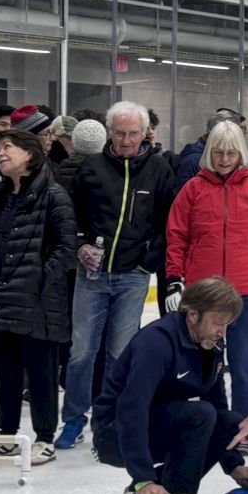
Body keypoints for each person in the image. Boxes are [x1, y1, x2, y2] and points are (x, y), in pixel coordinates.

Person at [94, 278, 248, 494]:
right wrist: (143, 479)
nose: (222, 332)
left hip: (157, 422)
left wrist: (233, 465)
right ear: (193, 315)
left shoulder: (211, 343)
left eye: (227, 325)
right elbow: (132, 409)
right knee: (200, 414)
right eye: (217, 323)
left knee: (229, 420)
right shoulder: (157, 342)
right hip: (115, 432)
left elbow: (219, 405)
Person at [0, 128, 78, 463]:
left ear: (30, 154)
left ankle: (45, 438)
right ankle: (6, 435)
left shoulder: (54, 195)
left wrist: (38, 279)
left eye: (8, 147)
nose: (1, 153)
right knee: (5, 370)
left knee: (41, 372)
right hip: (2, 296)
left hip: (38, 302)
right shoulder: (0, 196)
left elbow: (67, 249)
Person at [60, 101, 177, 450]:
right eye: (120, 133)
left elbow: (168, 223)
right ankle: (73, 420)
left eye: (133, 134)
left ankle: (109, 420)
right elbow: (70, 217)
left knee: (119, 353)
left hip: (133, 276)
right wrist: (80, 246)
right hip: (92, 275)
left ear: (145, 133)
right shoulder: (90, 168)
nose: (126, 141)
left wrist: (147, 262)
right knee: (81, 351)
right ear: (110, 132)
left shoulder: (159, 169)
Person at [165, 119, 248, 446]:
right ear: (209, 153)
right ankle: (206, 425)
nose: (225, 159)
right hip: (204, 291)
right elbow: (177, 236)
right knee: (204, 363)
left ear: (240, 152)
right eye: (218, 153)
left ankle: (241, 428)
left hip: (245, 289)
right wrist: (174, 278)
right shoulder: (193, 189)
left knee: (243, 364)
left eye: (231, 153)